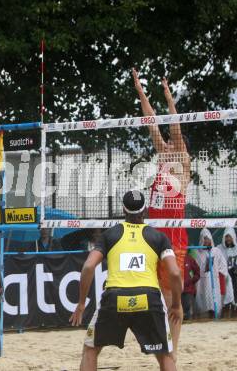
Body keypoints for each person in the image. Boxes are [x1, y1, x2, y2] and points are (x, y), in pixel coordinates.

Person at [70, 190, 182, 371]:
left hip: (115, 298)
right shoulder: (158, 237)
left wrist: (82, 303)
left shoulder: (109, 235)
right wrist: (176, 305)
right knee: (165, 354)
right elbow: (175, 274)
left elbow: (88, 267)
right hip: (149, 298)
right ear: (144, 211)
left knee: (90, 350)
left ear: (123, 210)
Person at [133, 68, 190, 359]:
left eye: (170, 144)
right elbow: (151, 122)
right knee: (153, 297)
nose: (165, 146)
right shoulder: (163, 156)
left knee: (171, 299)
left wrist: (169, 98)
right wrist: (140, 90)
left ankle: (173, 351)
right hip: (153, 235)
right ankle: (162, 343)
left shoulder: (181, 161)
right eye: (163, 146)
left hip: (174, 239)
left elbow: (173, 127)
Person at [194, 228, 228, 318]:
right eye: (204, 239)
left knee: (214, 301)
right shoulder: (197, 252)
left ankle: (214, 315)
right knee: (203, 301)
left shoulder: (216, 251)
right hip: (202, 281)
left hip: (214, 279)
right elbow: (195, 267)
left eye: (208, 238)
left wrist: (220, 274)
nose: (206, 241)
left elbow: (223, 265)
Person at [216, 227, 237, 317]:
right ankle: (224, 308)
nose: (228, 239)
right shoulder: (219, 248)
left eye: (230, 237)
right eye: (226, 237)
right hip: (223, 275)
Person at [181, 253, 200, 320]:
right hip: (175, 289)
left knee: (187, 308)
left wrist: (191, 281)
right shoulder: (171, 259)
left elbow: (197, 272)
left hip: (187, 289)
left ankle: (188, 321)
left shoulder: (189, 259)